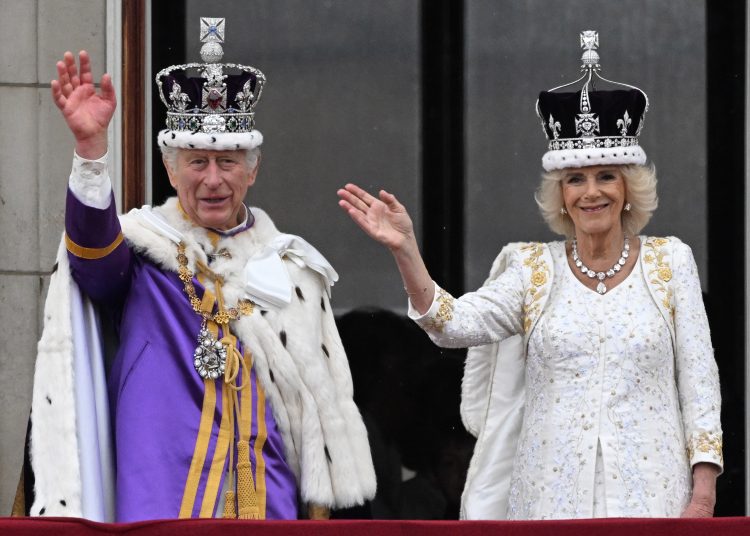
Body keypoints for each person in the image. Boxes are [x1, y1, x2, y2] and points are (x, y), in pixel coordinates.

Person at [338, 30, 722, 520]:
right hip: (548, 502)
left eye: (606, 176)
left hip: (653, 498)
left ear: (629, 188)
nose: (592, 192)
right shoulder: (531, 269)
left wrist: (703, 495)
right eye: (576, 180)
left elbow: (700, 384)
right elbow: (452, 325)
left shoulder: (670, 263)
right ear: (560, 194)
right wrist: (406, 249)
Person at [26, 17, 375, 522]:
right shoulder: (145, 252)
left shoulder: (292, 268)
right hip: (162, 500)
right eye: (196, 162)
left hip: (266, 500)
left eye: (228, 161)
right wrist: (90, 153)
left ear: (252, 170)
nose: (213, 179)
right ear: (170, 169)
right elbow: (93, 257)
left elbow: (315, 418)